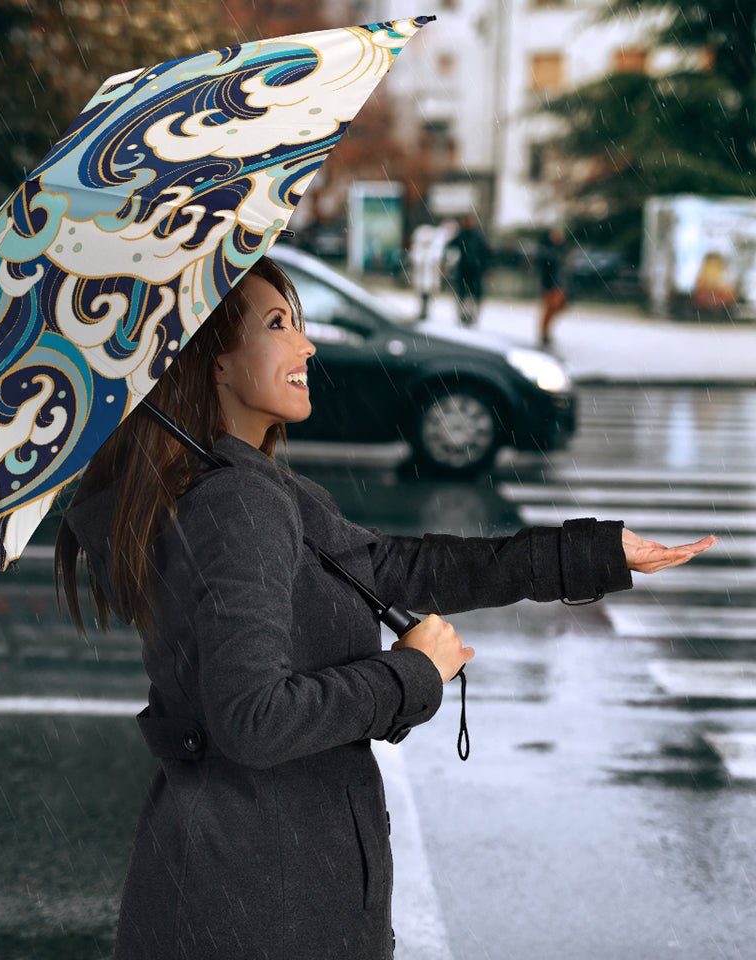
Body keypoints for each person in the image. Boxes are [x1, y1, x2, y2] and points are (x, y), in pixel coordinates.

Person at [55, 256, 715, 960]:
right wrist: (409, 673)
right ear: (213, 362)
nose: (306, 345)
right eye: (279, 325)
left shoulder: (248, 488)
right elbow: (252, 720)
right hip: (262, 903)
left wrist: (592, 554)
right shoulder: (235, 504)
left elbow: (400, 567)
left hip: (249, 884)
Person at [444, 213, 491, 327]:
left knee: (473, 295)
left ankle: (471, 316)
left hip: (475, 271)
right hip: (464, 270)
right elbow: (450, 249)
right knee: (463, 294)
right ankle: (463, 315)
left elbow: (486, 253)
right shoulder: (461, 236)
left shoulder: (477, 237)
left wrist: (486, 267)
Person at [537, 226, 569, 347]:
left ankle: (546, 331)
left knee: (558, 306)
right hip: (551, 284)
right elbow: (546, 265)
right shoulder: (547, 250)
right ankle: (544, 333)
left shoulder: (559, 249)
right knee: (550, 308)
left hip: (559, 283)